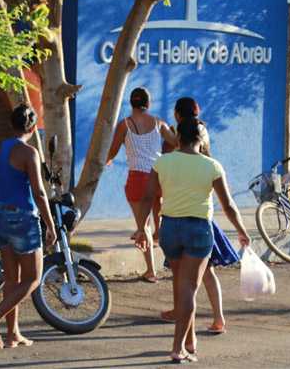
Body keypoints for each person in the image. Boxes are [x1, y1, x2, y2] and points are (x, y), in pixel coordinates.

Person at [134, 117, 251, 364]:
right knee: (189, 288)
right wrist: (241, 230)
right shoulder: (212, 166)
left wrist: (140, 228)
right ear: (202, 138)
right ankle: (178, 348)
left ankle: (189, 340)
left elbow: (147, 198)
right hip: (198, 229)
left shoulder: (162, 162)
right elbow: (228, 205)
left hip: (170, 229)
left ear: (178, 137)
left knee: (181, 285)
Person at [0, 104, 57, 349]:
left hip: (0, 216)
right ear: (32, 128)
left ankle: (13, 335)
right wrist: (50, 224)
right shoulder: (29, 153)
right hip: (23, 218)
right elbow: (40, 193)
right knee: (33, 278)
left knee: (13, 280)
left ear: (10, 125)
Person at [159, 97, 240, 334]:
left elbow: (177, 154)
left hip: (186, 215)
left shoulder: (184, 134)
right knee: (204, 272)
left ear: (177, 114)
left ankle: (189, 319)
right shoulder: (201, 132)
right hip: (200, 214)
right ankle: (215, 318)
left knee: (188, 275)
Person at [106, 87, 177, 282]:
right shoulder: (158, 123)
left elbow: (111, 151)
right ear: (149, 103)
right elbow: (177, 142)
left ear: (131, 103)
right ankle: (164, 245)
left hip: (138, 178)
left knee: (142, 225)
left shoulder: (125, 125)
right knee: (158, 216)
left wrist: (107, 160)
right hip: (160, 176)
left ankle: (151, 271)